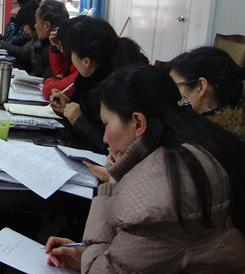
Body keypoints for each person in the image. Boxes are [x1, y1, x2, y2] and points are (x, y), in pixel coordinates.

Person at [45, 64, 245, 272]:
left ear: (138, 123)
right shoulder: (203, 147)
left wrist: (111, 185)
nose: (104, 138)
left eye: (106, 123)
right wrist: (87, 256)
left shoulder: (157, 198)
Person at [50, 16, 148, 154]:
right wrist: (67, 106)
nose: (70, 58)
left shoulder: (118, 88)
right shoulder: (90, 77)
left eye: (71, 53)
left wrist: (80, 121)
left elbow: (112, 146)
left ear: (86, 61)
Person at [168, 46, 244, 139]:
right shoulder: (231, 132)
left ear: (201, 86)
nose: (168, 93)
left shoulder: (197, 139)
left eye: (174, 86)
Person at [0, 0, 41, 73]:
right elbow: (23, 51)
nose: (13, 7)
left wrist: (13, 20)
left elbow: (11, 41)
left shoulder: (41, 41)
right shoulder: (34, 39)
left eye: (15, 3)